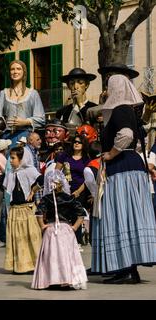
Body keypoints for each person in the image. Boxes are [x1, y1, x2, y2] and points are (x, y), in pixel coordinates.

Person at [91, 74, 156, 284]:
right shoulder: (131, 111)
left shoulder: (120, 110)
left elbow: (127, 135)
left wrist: (110, 154)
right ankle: (128, 268)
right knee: (130, 217)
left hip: (122, 170)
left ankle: (126, 268)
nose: (107, 91)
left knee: (119, 216)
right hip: (132, 166)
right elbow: (139, 140)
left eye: (109, 87)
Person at [31, 170, 87, 290]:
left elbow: (39, 213)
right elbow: (81, 214)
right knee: (66, 255)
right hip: (66, 230)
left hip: (51, 229)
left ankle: (52, 280)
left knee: (52, 256)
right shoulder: (69, 198)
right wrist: (75, 227)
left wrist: (42, 225)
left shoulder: (47, 198)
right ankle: (67, 279)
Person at [3, 146, 43, 274]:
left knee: (30, 236)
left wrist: (33, 190)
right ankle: (19, 265)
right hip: (15, 210)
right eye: (10, 158)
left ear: (22, 159)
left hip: (27, 209)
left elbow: (42, 180)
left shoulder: (29, 171)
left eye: (13, 158)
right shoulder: (11, 173)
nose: (10, 161)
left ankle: (34, 264)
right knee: (17, 238)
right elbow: (6, 188)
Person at [0, 60, 45, 148]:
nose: (15, 72)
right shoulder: (3, 94)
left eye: (18, 69)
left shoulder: (33, 94)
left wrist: (25, 121)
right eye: (12, 69)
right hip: (6, 137)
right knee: (8, 160)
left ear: (24, 72)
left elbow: (41, 119)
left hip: (26, 136)